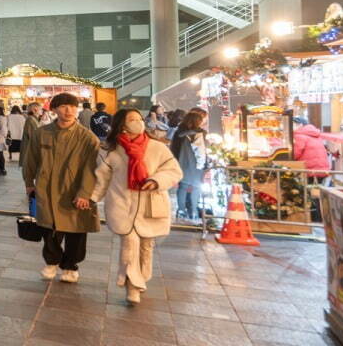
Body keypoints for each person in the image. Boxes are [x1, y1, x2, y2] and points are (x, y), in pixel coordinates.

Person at [90, 107, 181, 305]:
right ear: (122, 124)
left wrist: (157, 180)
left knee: (147, 246)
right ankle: (132, 285)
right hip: (122, 204)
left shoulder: (157, 147)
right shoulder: (110, 150)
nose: (138, 122)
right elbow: (102, 178)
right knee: (130, 243)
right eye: (132, 119)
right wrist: (92, 198)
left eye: (139, 119)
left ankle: (142, 278)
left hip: (151, 203)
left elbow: (173, 170)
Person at [22, 93, 101, 283]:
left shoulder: (87, 137)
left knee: (76, 231)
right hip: (47, 189)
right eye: (64, 107)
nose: (69, 111)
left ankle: (70, 266)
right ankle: (51, 262)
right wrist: (29, 183)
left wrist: (84, 193)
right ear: (54, 109)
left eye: (73, 107)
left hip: (74, 191)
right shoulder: (42, 133)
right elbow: (30, 159)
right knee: (49, 228)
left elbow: (92, 169)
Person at [170, 108, 208, 222]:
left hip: (180, 163)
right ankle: (194, 212)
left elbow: (173, 148)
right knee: (196, 187)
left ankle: (181, 211)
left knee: (182, 187)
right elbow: (201, 151)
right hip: (195, 164)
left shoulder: (179, 132)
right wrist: (203, 166)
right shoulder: (199, 133)